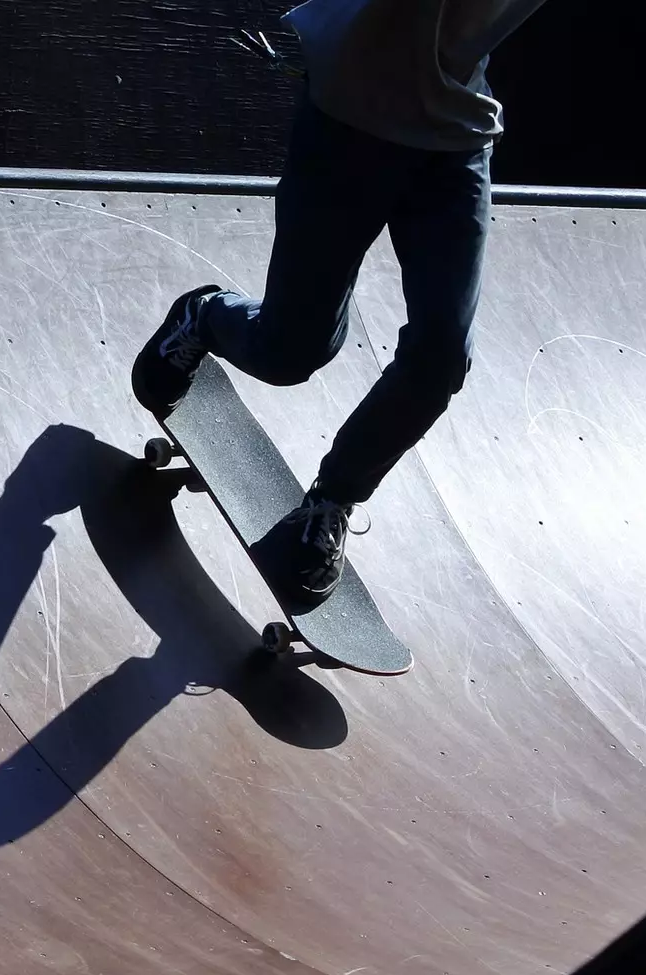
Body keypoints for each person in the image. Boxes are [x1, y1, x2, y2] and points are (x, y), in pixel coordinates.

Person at [132, 0, 551, 599]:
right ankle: (207, 316)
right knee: (290, 352)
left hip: (455, 144)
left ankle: (331, 501)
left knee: (441, 358)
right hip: (347, 127)